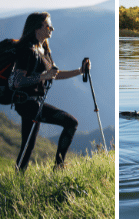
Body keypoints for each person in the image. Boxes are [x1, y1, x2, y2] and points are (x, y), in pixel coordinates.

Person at [9, 12, 90, 171]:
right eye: (48, 25)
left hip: (34, 103)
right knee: (71, 123)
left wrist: (80, 71)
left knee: (28, 146)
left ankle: (17, 179)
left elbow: (55, 75)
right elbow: (19, 81)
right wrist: (42, 76)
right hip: (26, 102)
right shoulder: (27, 50)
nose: (52, 28)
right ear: (37, 28)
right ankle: (58, 167)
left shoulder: (43, 49)